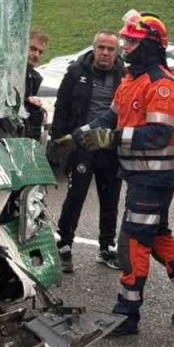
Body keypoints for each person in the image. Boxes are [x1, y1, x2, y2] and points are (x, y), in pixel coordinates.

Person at [70, 10, 174, 336]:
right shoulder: (130, 79)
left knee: (133, 242)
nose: (125, 46)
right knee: (157, 238)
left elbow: (157, 135)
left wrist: (109, 139)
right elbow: (110, 118)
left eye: (132, 41)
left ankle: (126, 314)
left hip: (154, 178)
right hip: (139, 177)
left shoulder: (162, 86)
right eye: (126, 39)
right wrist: (76, 136)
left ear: (150, 46)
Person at [52, 30, 124, 273]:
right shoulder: (76, 72)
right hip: (82, 145)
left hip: (109, 146)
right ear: (94, 48)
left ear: (117, 52)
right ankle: (64, 245)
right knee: (76, 196)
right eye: (101, 47)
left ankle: (106, 247)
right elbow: (62, 106)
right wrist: (58, 141)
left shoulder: (125, 76)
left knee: (110, 197)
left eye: (110, 49)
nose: (105, 53)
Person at [23, 30, 49, 141]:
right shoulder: (6, 72)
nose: (36, 55)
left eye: (40, 52)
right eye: (33, 49)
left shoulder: (34, 77)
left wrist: (41, 112)